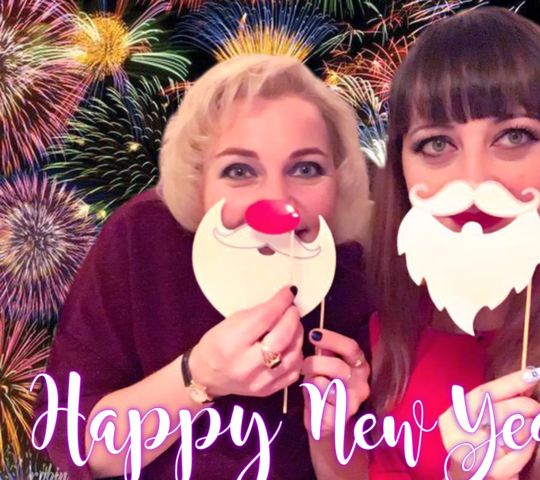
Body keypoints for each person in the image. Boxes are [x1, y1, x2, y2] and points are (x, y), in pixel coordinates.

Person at [33, 54, 372, 480]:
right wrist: (200, 376)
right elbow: (74, 445)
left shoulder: (352, 277)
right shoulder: (141, 241)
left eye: (306, 169)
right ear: (199, 180)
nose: (275, 201)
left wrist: (330, 434)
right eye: (239, 170)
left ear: (338, 181)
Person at [367, 8, 540, 479]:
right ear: (401, 168)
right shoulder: (393, 334)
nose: (474, 180)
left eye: (514, 136)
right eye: (436, 144)